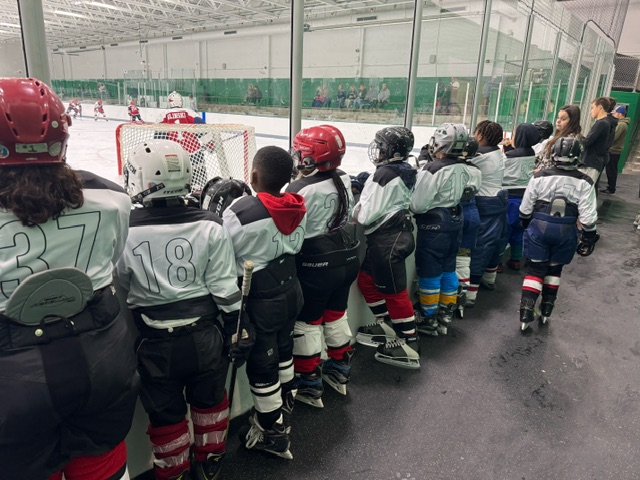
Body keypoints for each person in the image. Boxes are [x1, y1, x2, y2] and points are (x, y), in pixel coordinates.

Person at [0, 77, 139, 479]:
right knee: (101, 463)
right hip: (103, 358)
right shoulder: (113, 198)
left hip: (14, 379)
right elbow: (112, 260)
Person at [115, 140, 244, 480]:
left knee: (166, 417)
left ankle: (174, 473)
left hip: (155, 344)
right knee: (210, 404)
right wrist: (238, 328)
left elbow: (122, 283)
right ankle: (210, 463)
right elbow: (225, 289)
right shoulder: (211, 223)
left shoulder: (124, 228)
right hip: (205, 338)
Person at [223, 146, 306, 459]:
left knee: (263, 363)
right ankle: (286, 400)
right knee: (284, 348)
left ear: (254, 176)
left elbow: (223, 254)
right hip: (292, 289)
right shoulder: (299, 204)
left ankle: (272, 430)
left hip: (261, 300)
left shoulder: (240, 212)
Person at [286, 125, 360, 408]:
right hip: (345, 256)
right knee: (336, 314)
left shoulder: (300, 188)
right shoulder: (344, 177)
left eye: (300, 152)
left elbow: (290, 234)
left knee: (307, 321)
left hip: (316, 264)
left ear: (309, 157)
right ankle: (340, 369)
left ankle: (309, 382)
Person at [354, 126, 420, 369]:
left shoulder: (383, 174)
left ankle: (410, 343)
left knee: (395, 293)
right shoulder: (405, 169)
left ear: (389, 150)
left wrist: (360, 194)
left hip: (387, 241)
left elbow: (364, 215)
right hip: (395, 235)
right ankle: (387, 324)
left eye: (380, 146)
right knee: (366, 280)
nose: (377, 151)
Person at [518, 137, 598, 331]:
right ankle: (547, 309)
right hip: (566, 230)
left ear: (553, 155)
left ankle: (526, 311)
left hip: (539, 227)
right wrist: (588, 237)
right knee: (554, 269)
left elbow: (525, 209)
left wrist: (527, 224)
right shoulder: (585, 181)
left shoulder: (539, 177)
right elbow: (588, 217)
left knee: (535, 270)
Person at [411, 123, 480, 336]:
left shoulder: (433, 168)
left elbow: (418, 205)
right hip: (455, 221)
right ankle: (446, 313)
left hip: (434, 226)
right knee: (448, 268)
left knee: (430, 270)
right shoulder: (463, 166)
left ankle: (428, 317)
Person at [466, 120, 507, 306]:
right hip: (498, 202)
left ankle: (470, 294)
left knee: (479, 246)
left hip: (484, 205)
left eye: (475, 133)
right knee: (494, 244)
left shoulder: (480, 155)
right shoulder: (498, 153)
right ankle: (489, 279)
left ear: (480, 136)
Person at [501, 123, 541, 271]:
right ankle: (515, 259)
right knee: (519, 230)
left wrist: (506, 151)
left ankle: (497, 263)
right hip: (525, 197)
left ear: (520, 137)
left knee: (504, 232)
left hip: (510, 197)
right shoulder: (531, 152)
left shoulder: (509, 156)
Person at [155, 91, 208, 190]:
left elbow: (159, 139)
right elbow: (202, 128)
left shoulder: (163, 115)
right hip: (194, 152)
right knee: (199, 178)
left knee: (176, 179)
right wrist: (209, 144)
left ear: (169, 102)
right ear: (181, 102)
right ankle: (198, 190)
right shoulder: (189, 112)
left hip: (174, 155)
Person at [536, 105, 582, 171]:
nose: (558, 121)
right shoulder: (559, 136)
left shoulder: (569, 141)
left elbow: (559, 163)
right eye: (558, 118)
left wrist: (541, 171)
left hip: (552, 174)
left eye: (563, 119)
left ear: (572, 121)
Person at [579, 97, 612, 184]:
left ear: (600, 107)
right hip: (594, 162)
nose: (591, 111)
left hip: (591, 163)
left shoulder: (602, 123)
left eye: (593, 108)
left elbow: (587, 142)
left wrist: (578, 135)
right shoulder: (605, 123)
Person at [602, 105, 629, 194]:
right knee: (611, 169)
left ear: (620, 114)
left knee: (611, 170)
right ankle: (611, 187)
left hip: (614, 150)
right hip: (615, 150)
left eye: (615, 113)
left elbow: (614, 137)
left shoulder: (621, 124)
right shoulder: (623, 124)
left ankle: (611, 188)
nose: (614, 115)